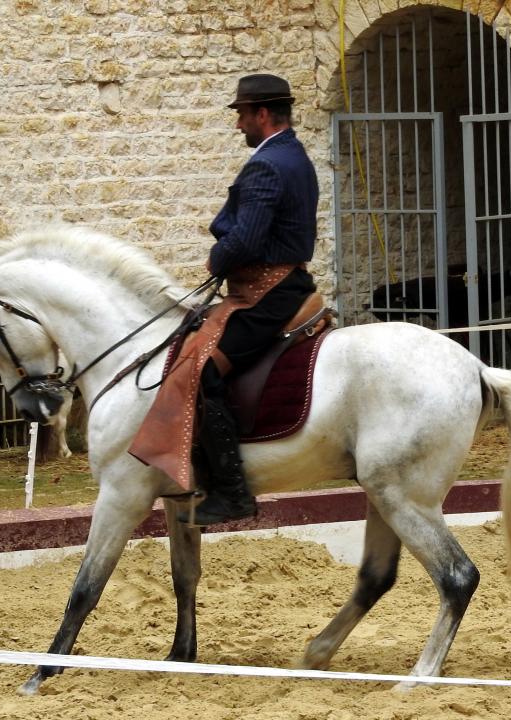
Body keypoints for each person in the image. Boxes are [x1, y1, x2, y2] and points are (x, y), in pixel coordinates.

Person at [186, 73, 320, 525]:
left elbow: (245, 239)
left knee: (203, 370)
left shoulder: (267, 164)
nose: (238, 124)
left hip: (270, 293)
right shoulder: (294, 155)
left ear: (262, 114)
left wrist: (217, 257)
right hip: (281, 284)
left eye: (242, 114)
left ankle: (232, 491)